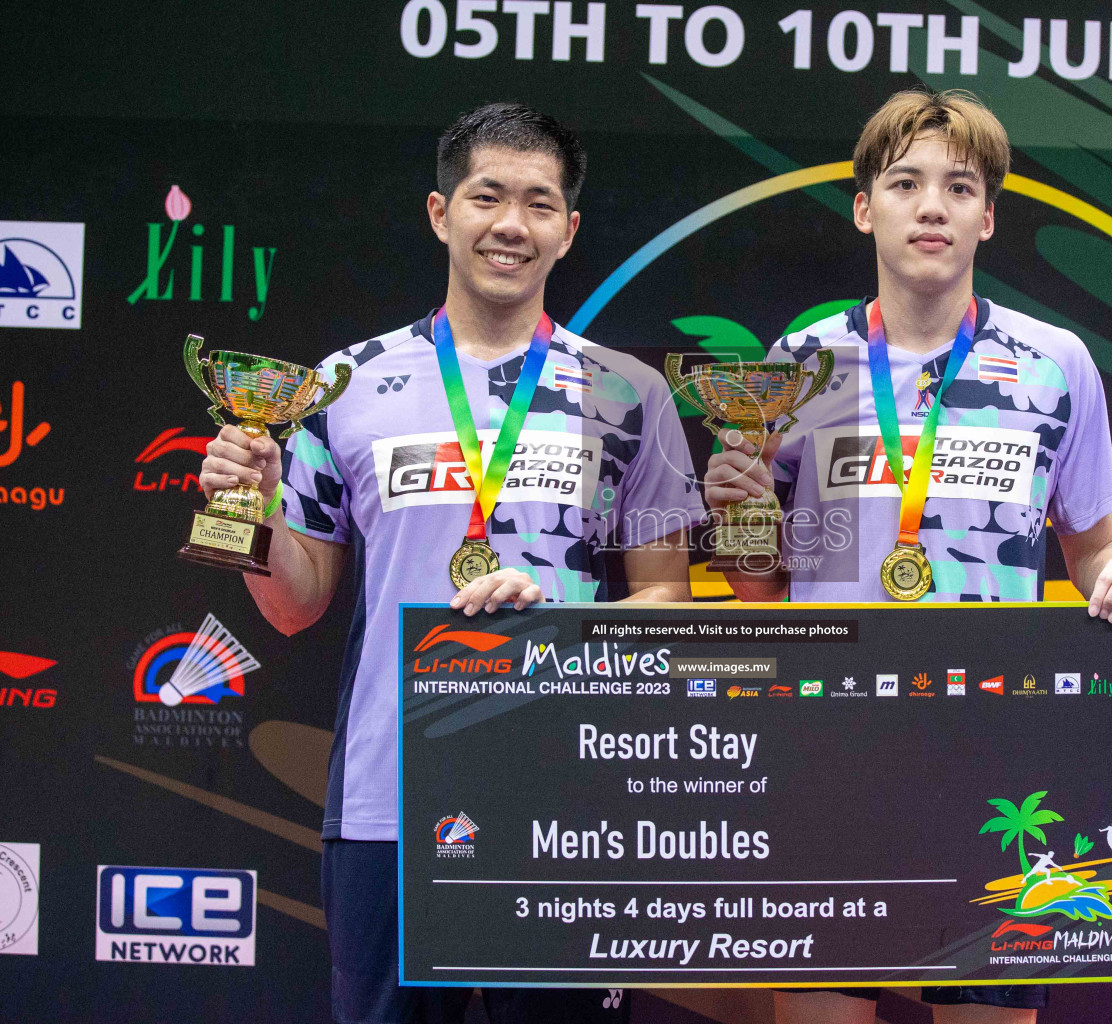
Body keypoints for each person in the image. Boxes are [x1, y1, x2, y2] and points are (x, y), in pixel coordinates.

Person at [198, 102, 703, 1024]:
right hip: (388, 802)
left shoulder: (632, 393)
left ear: (569, 230)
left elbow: (666, 598)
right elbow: (294, 608)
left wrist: (555, 622)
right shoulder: (343, 385)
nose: (512, 224)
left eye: (539, 204)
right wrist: (254, 509)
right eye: (488, 196)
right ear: (441, 213)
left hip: (568, 797)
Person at [703, 89, 1112, 1024]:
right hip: (834, 750)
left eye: (959, 187)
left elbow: (1094, 550)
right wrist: (743, 517)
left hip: (996, 756)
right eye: (906, 182)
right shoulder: (802, 361)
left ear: (987, 217)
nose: (932, 206)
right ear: (866, 207)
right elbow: (760, 584)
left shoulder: (1053, 362)